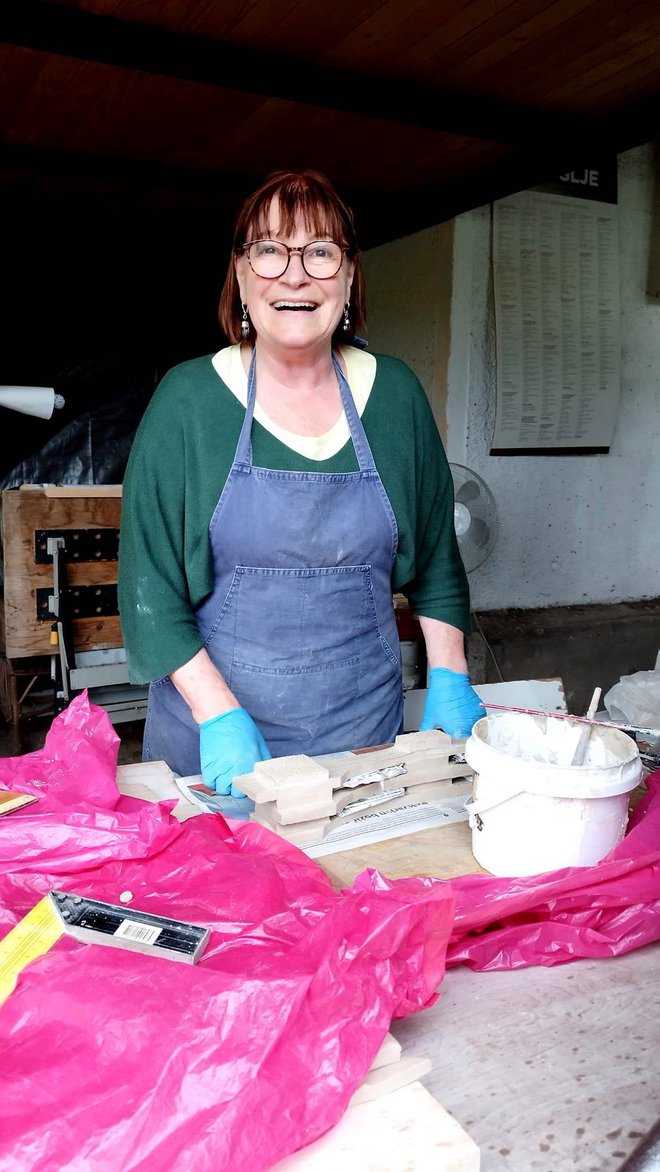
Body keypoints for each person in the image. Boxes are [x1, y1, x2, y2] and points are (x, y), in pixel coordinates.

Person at [118, 169, 484, 796]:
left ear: (348, 276)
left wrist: (451, 677)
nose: (295, 275)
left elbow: (438, 564)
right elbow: (148, 589)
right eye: (269, 251)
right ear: (239, 273)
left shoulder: (394, 395)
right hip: (215, 747)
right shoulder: (188, 402)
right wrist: (220, 716)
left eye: (320, 252)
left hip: (364, 740)